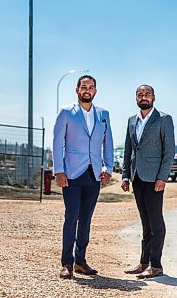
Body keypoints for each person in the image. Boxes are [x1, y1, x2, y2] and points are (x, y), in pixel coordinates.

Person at [52, 75, 114, 279]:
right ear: (77, 90)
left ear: (95, 91)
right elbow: (57, 143)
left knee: (86, 219)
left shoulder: (103, 113)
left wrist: (108, 167)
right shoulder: (66, 113)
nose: (87, 90)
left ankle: (81, 261)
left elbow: (108, 144)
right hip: (71, 174)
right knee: (71, 218)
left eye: (91, 87)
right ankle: (66, 263)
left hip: (94, 174)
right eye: (84, 87)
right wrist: (59, 171)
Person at [121, 84, 175, 279]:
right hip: (137, 177)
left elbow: (169, 152)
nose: (143, 97)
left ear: (154, 97)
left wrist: (162, 177)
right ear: (136, 98)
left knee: (155, 222)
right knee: (145, 222)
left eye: (147, 94)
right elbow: (129, 151)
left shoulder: (163, 119)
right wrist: (125, 175)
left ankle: (156, 265)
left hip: (154, 179)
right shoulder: (131, 121)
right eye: (140, 94)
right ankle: (144, 263)